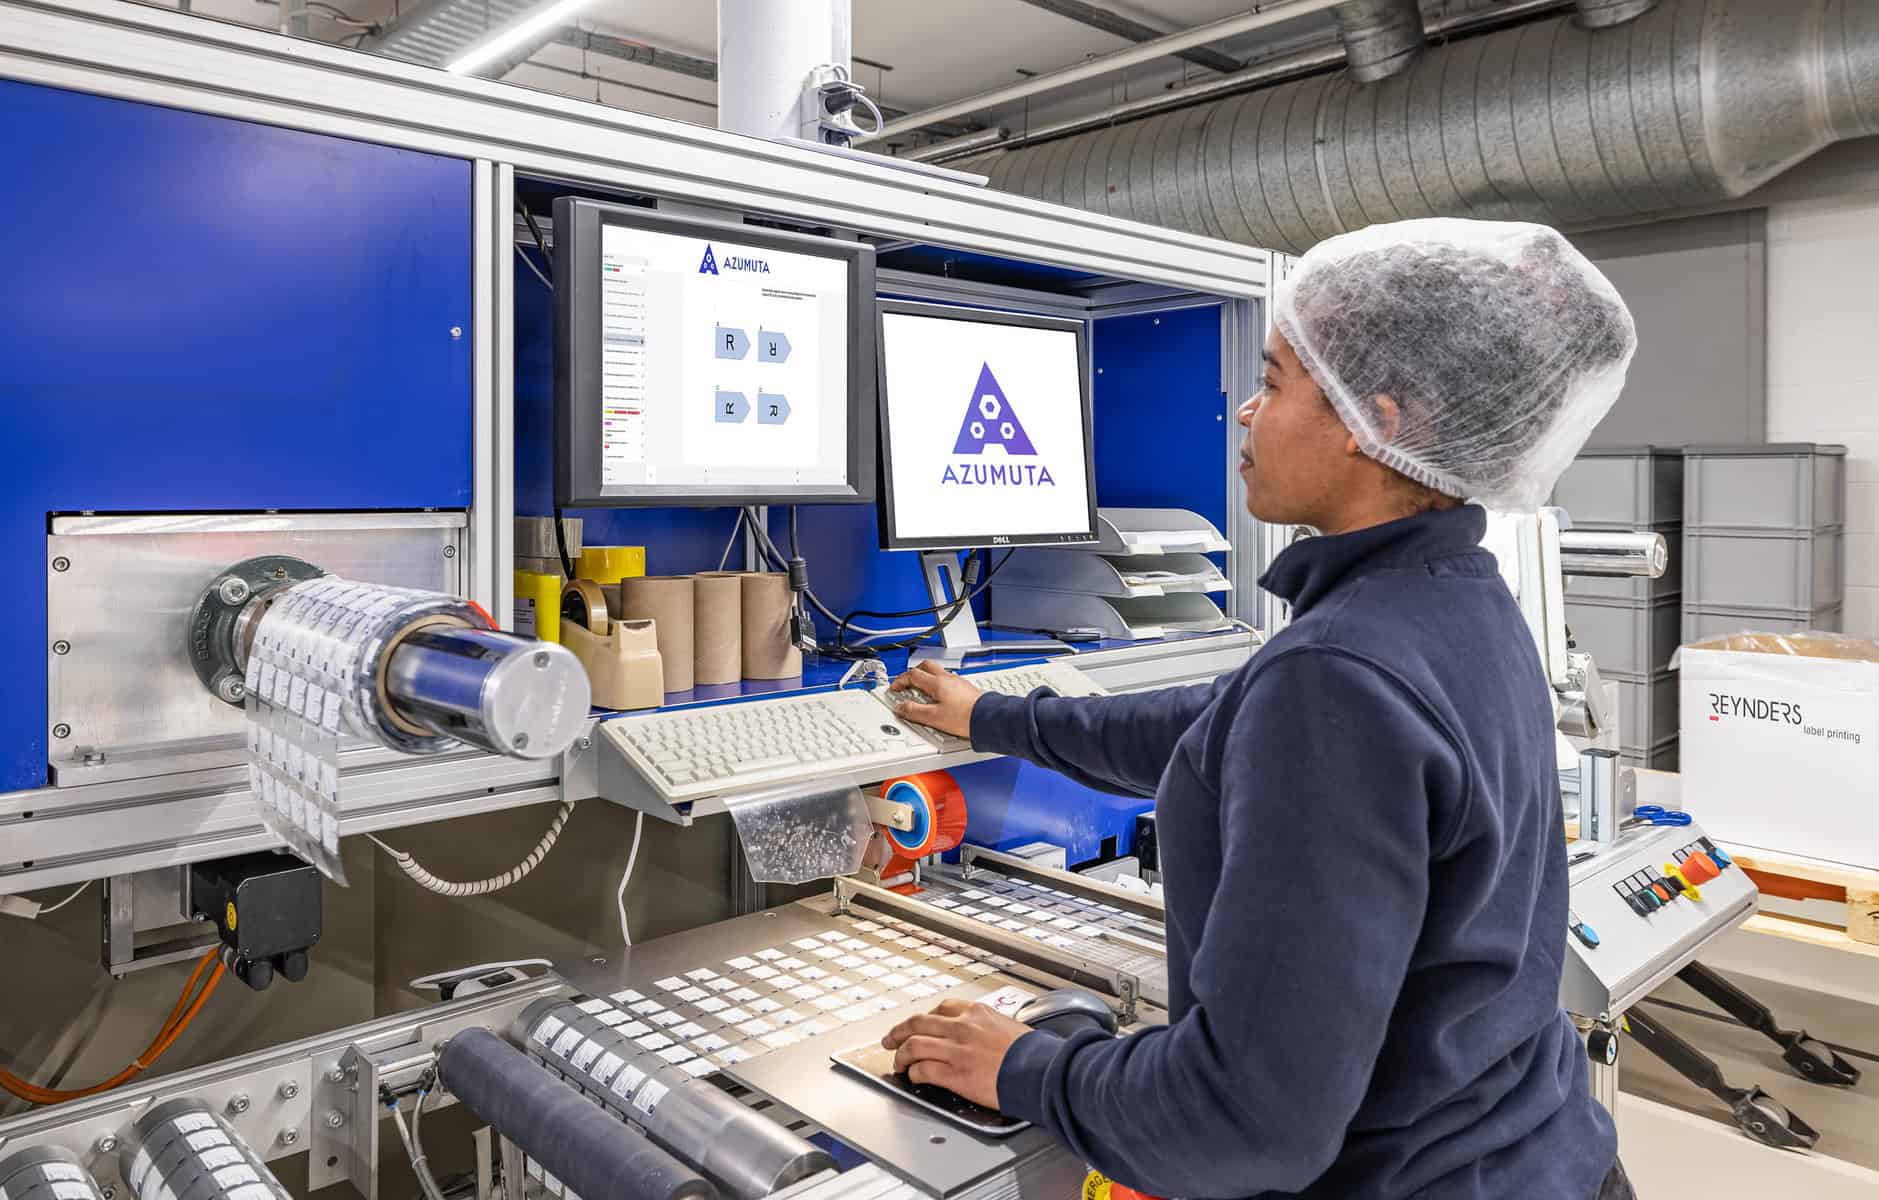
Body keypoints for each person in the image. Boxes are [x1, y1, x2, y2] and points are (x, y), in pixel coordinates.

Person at [881, 219, 1640, 1200]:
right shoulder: (1453, 599)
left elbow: (1242, 1123)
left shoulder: (1339, 670)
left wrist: (1025, 1064)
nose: (1244, 411)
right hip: (1543, 1159)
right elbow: (1216, 724)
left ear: (1375, 422)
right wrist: (993, 717)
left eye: (1274, 383)